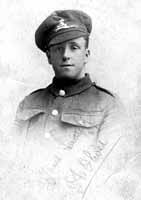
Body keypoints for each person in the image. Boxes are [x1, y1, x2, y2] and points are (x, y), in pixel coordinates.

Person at [13, 9, 138, 200]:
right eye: (58, 48)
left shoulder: (108, 105)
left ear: (86, 54)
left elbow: (113, 176)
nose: (65, 55)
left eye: (74, 47)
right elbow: (11, 166)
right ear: (48, 57)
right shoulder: (29, 103)